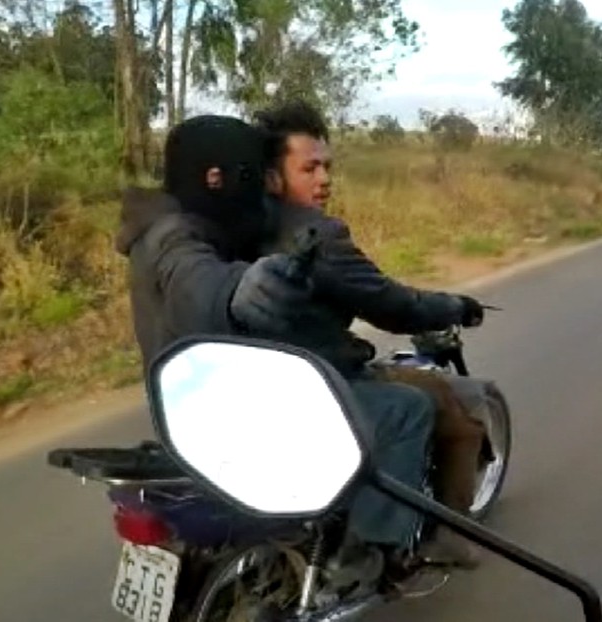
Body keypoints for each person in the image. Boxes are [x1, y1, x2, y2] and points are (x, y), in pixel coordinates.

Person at [113, 114, 438, 574]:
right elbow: (199, 284)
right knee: (406, 409)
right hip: (236, 411)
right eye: (256, 174)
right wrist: (242, 290)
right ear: (217, 177)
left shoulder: (190, 226)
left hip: (189, 405)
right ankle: (371, 554)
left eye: (327, 168)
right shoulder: (176, 238)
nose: (322, 180)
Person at [253, 100, 489, 568]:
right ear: (273, 177)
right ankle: (407, 544)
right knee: (458, 417)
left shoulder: (231, 227)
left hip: (258, 376)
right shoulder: (317, 237)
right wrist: (454, 306)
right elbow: (393, 306)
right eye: (310, 168)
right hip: (321, 375)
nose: (324, 179)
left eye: (327, 167)